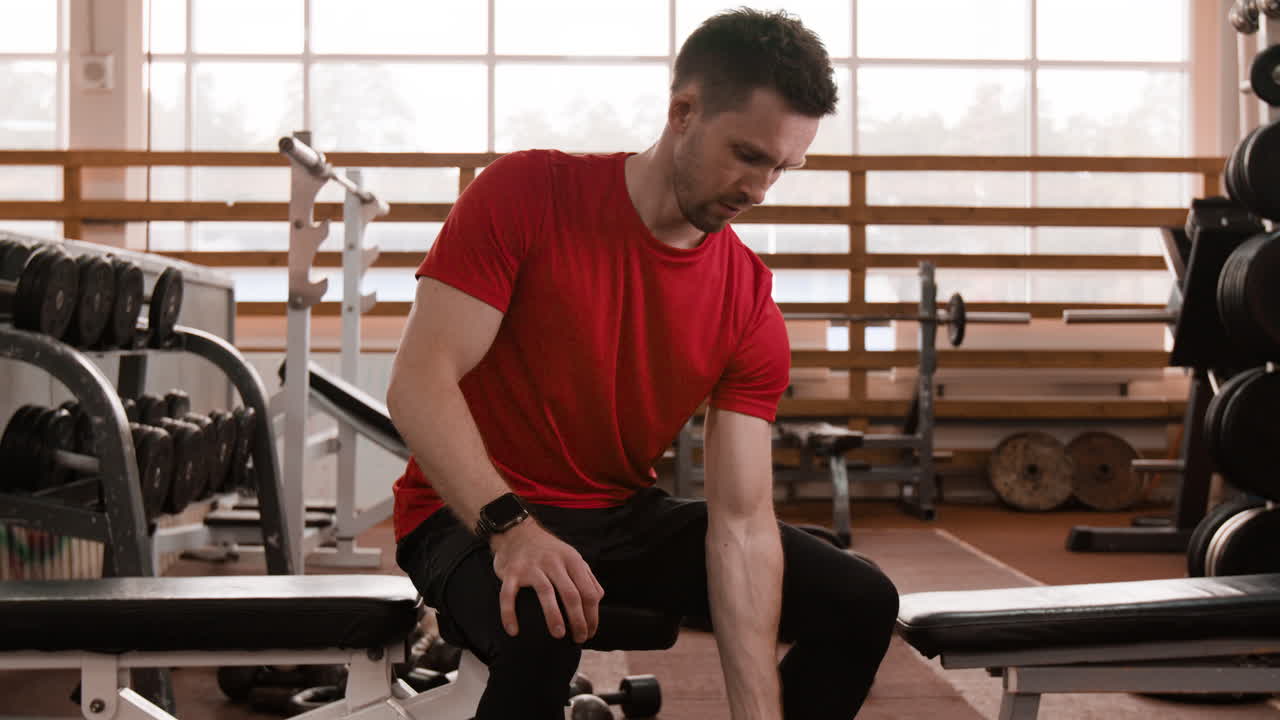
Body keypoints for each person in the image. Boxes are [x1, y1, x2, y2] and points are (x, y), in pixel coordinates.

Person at [387, 8, 899, 719]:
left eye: (783, 167)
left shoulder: (747, 298)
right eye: (749, 155)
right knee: (540, 618)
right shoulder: (526, 193)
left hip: (620, 516)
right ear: (683, 112)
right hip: (464, 514)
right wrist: (511, 529)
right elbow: (418, 384)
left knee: (861, 599)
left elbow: (742, 527)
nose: (761, 189)